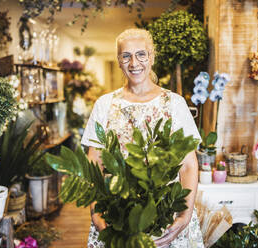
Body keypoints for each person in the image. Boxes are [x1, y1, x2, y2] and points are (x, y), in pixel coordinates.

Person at [81, 28, 204, 248]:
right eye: (126, 56)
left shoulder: (174, 103)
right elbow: (94, 164)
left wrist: (184, 216)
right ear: (119, 61)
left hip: (167, 214)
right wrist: (96, 212)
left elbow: (188, 165)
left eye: (141, 54)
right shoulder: (105, 105)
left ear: (152, 57)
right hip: (117, 213)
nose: (134, 62)